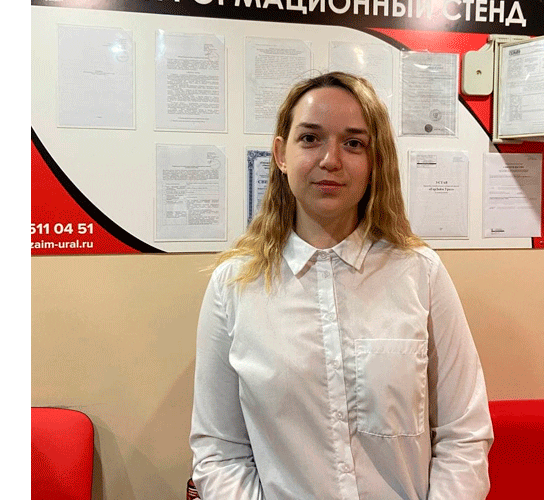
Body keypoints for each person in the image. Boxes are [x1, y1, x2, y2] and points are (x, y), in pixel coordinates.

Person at [190, 71, 493, 500]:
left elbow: (464, 434)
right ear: (280, 154)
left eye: (353, 143)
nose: (331, 159)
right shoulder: (235, 286)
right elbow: (220, 452)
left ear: (374, 162)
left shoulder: (420, 274)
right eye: (310, 138)